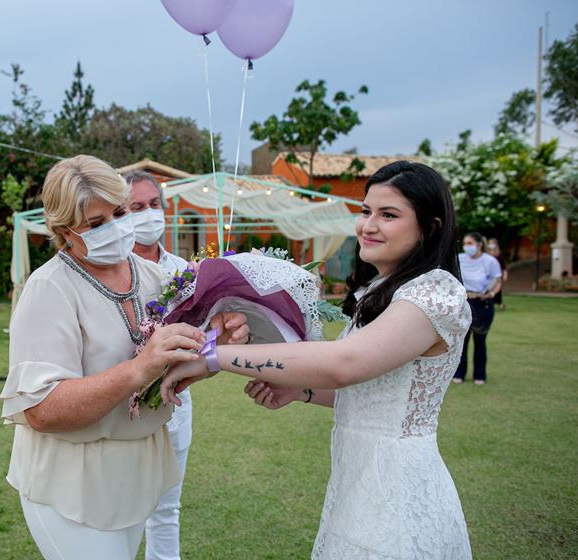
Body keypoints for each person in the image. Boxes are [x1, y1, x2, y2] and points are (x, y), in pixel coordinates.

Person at [160, 161, 474, 559]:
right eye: (366, 212)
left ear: (430, 227)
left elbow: (345, 362)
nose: (368, 226)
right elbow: (374, 392)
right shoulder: (382, 292)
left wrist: (212, 355)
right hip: (356, 483)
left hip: (398, 490)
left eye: (388, 215)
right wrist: (301, 391)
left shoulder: (435, 293)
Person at [0, 155, 247, 560]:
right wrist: (137, 369)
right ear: (65, 232)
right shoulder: (49, 290)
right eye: (96, 224)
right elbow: (41, 411)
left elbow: (180, 362)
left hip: (136, 476)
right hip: (73, 485)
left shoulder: (157, 278)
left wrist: (218, 338)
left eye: (118, 212)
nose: (115, 227)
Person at [124, 170, 195, 560]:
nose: (149, 214)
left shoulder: (184, 269)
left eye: (154, 205)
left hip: (177, 408)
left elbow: (202, 335)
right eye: (137, 207)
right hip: (126, 409)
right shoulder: (114, 269)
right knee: (127, 510)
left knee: (167, 510)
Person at [452, 232, 502, 385]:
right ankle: (459, 373)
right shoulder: (459, 259)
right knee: (462, 340)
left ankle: (479, 375)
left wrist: (491, 294)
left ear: (479, 245)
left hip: (482, 302)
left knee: (480, 340)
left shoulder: (490, 261)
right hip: (464, 301)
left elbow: (498, 280)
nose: (467, 246)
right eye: (465, 243)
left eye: (470, 243)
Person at [486, 238, 507, 310]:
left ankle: (500, 304)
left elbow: (503, 266)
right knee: (489, 288)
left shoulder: (499, 255)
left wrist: (505, 275)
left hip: (497, 275)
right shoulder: (486, 255)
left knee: (498, 290)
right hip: (489, 276)